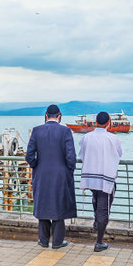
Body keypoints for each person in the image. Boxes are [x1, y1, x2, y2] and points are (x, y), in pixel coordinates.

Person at [25, 104, 77, 249]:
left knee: (43, 206)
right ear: (60, 116)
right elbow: (71, 157)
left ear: (46, 116)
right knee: (59, 206)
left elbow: (29, 155)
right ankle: (57, 242)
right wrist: (69, 171)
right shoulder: (66, 131)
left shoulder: (36, 131)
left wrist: (37, 165)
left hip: (41, 174)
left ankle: (43, 240)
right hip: (60, 175)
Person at [79, 112, 122, 252]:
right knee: (104, 208)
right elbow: (119, 155)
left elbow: (82, 154)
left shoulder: (86, 137)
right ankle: (99, 242)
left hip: (90, 176)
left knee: (96, 198)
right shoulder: (113, 138)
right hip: (106, 177)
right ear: (109, 122)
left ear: (96, 122)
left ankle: (97, 219)